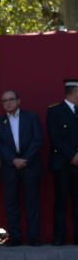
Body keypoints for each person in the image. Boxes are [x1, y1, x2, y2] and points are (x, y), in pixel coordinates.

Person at [0, 90, 43, 246]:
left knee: (32, 202)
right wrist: (13, 160)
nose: (7, 102)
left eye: (11, 99)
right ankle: (15, 236)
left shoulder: (31, 117)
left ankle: (33, 237)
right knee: (11, 202)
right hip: (10, 167)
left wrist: (25, 159)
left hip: (30, 165)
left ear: (18, 101)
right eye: (4, 100)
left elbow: (37, 139)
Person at [46, 83, 78, 245]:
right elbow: (55, 136)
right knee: (61, 201)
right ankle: (59, 238)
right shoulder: (55, 111)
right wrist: (72, 155)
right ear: (73, 92)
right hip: (62, 163)